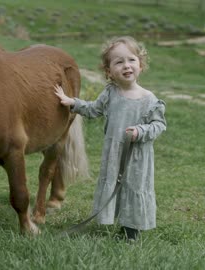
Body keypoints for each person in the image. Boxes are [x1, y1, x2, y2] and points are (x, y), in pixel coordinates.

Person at [54, 36, 166, 241]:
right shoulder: (111, 93)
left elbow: (159, 125)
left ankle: (131, 232)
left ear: (140, 64)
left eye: (131, 60)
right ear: (109, 71)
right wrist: (72, 103)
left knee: (133, 187)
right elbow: (93, 109)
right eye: (119, 62)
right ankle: (115, 220)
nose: (126, 65)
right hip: (114, 154)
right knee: (115, 184)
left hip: (137, 157)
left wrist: (140, 131)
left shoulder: (149, 99)